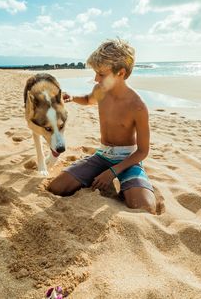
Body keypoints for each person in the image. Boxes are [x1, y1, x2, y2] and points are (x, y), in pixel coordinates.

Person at [48, 39, 156, 214]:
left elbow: (142, 151)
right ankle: (95, 176)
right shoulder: (100, 90)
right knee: (57, 187)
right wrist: (72, 97)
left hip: (127, 160)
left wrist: (113, 172)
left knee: (145, 207)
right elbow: (89, 100)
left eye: (101, 74)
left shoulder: (137, 106)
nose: (96, 79)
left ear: (120, 73)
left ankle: (131, 183)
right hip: (102, 155)